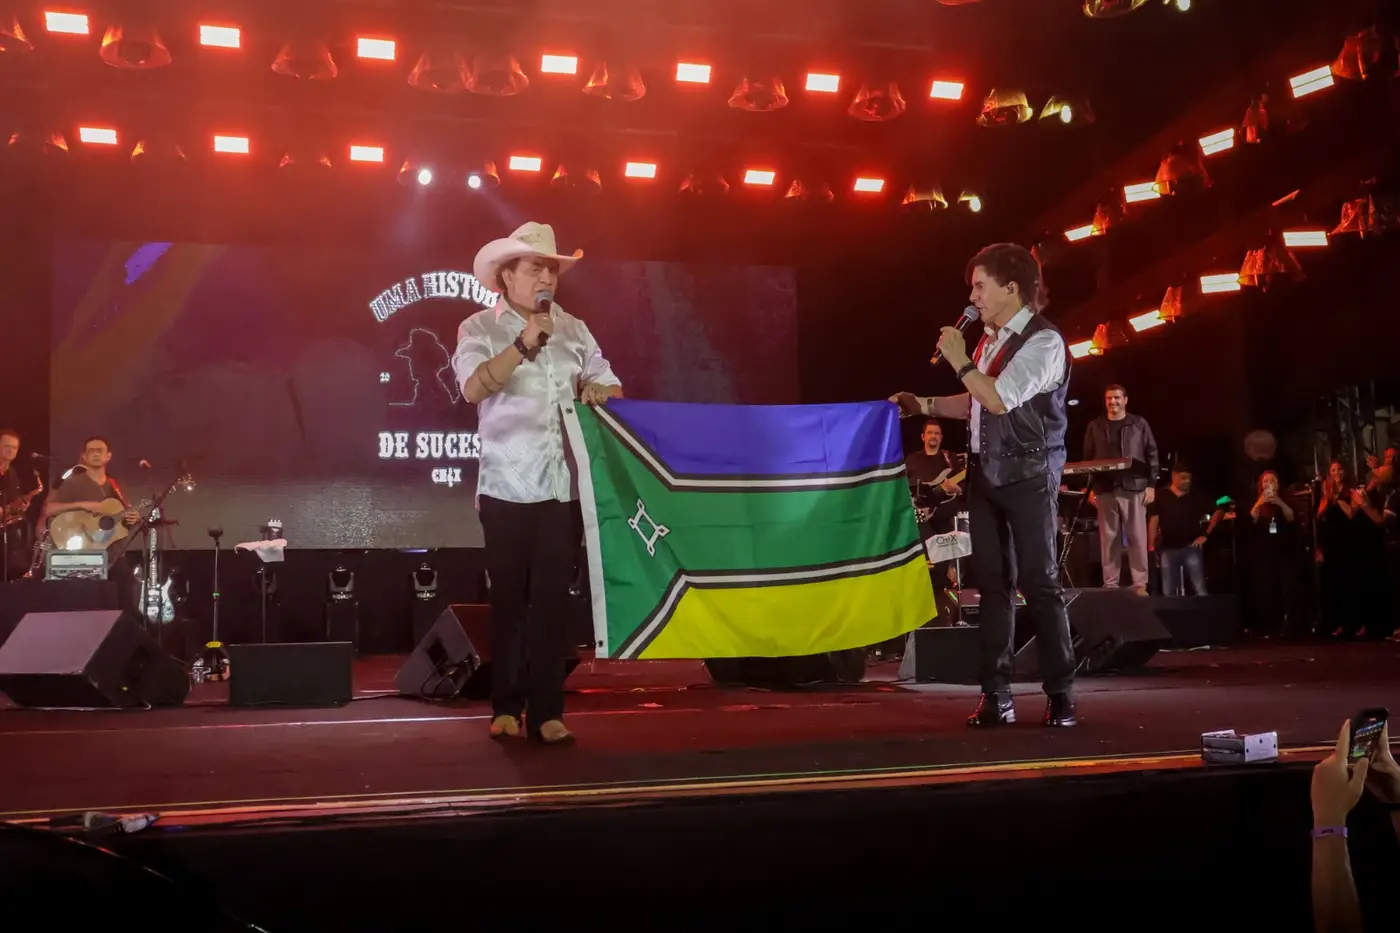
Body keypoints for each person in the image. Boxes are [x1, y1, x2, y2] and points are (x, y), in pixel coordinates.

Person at [890, 243, 1077, 728]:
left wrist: (959, 360)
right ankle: (996, 696)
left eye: (979, 286)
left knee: (1040, 584)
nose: (972, 297)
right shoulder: (988, 343)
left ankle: (1061, 694)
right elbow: (974, 400)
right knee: (993, 587)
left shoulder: (1044, 342)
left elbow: (998, 399)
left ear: (1011, 288)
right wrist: (923, 405)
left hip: (1029, 475)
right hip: (986, 475)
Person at [453, 222, 622, 745]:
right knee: (509, 602)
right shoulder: (478, 327)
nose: (547, 277)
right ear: (506, 276)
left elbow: (610, 381)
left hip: (561, 489)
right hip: (504, 487)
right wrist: (523, 344)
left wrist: (600, 391)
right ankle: (506, 707)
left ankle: (549, 711)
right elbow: (472, 389)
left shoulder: (575, 329)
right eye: (535, 268)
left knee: (552, 603)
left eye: (552, 269)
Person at [42, 436, 141, 602]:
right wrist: (82, 504)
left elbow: (122, 519)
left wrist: (132, 518)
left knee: (126, 597)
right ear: (84, 457)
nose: (95, 454)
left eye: (99, 450)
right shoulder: (73, 483)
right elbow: (49, 509)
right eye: (91, 451)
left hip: (114, 552)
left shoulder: (117, 486)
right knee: (88, 600)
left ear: (108, 456)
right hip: (85, 553)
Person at [1083, 384, 1159, 593]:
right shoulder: (1095, 426)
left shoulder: (1138, 424)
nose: (1113, 402)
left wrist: (1151, 485)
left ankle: (1140, 584)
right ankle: (1110, 584)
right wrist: (1090, 488)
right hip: (1105, 488)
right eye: (1109, 398)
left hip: (1134, 487)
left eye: (1117, 397)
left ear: (1125, 400)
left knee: (1137, 537)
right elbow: (1088, 459)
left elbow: (1152, 454)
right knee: (1109, 539)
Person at [1147, 462, 1223, 596]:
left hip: (1191, 547)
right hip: (1168, 548)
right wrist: (1151, 545)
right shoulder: (1162, 495)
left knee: (1199, 589)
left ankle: (1204, 610)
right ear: (1173, 476)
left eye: (1189, 478)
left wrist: (1205, 534)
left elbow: (1218, 511)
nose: (1186, 481)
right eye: (1183, 478)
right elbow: (1154, 520)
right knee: (1168, 591)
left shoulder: (1195, 495)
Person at [0, 428, 42, 579]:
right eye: (6, 446)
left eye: (14, 447)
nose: (11, 450)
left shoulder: (12, 473)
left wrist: (20, 505)